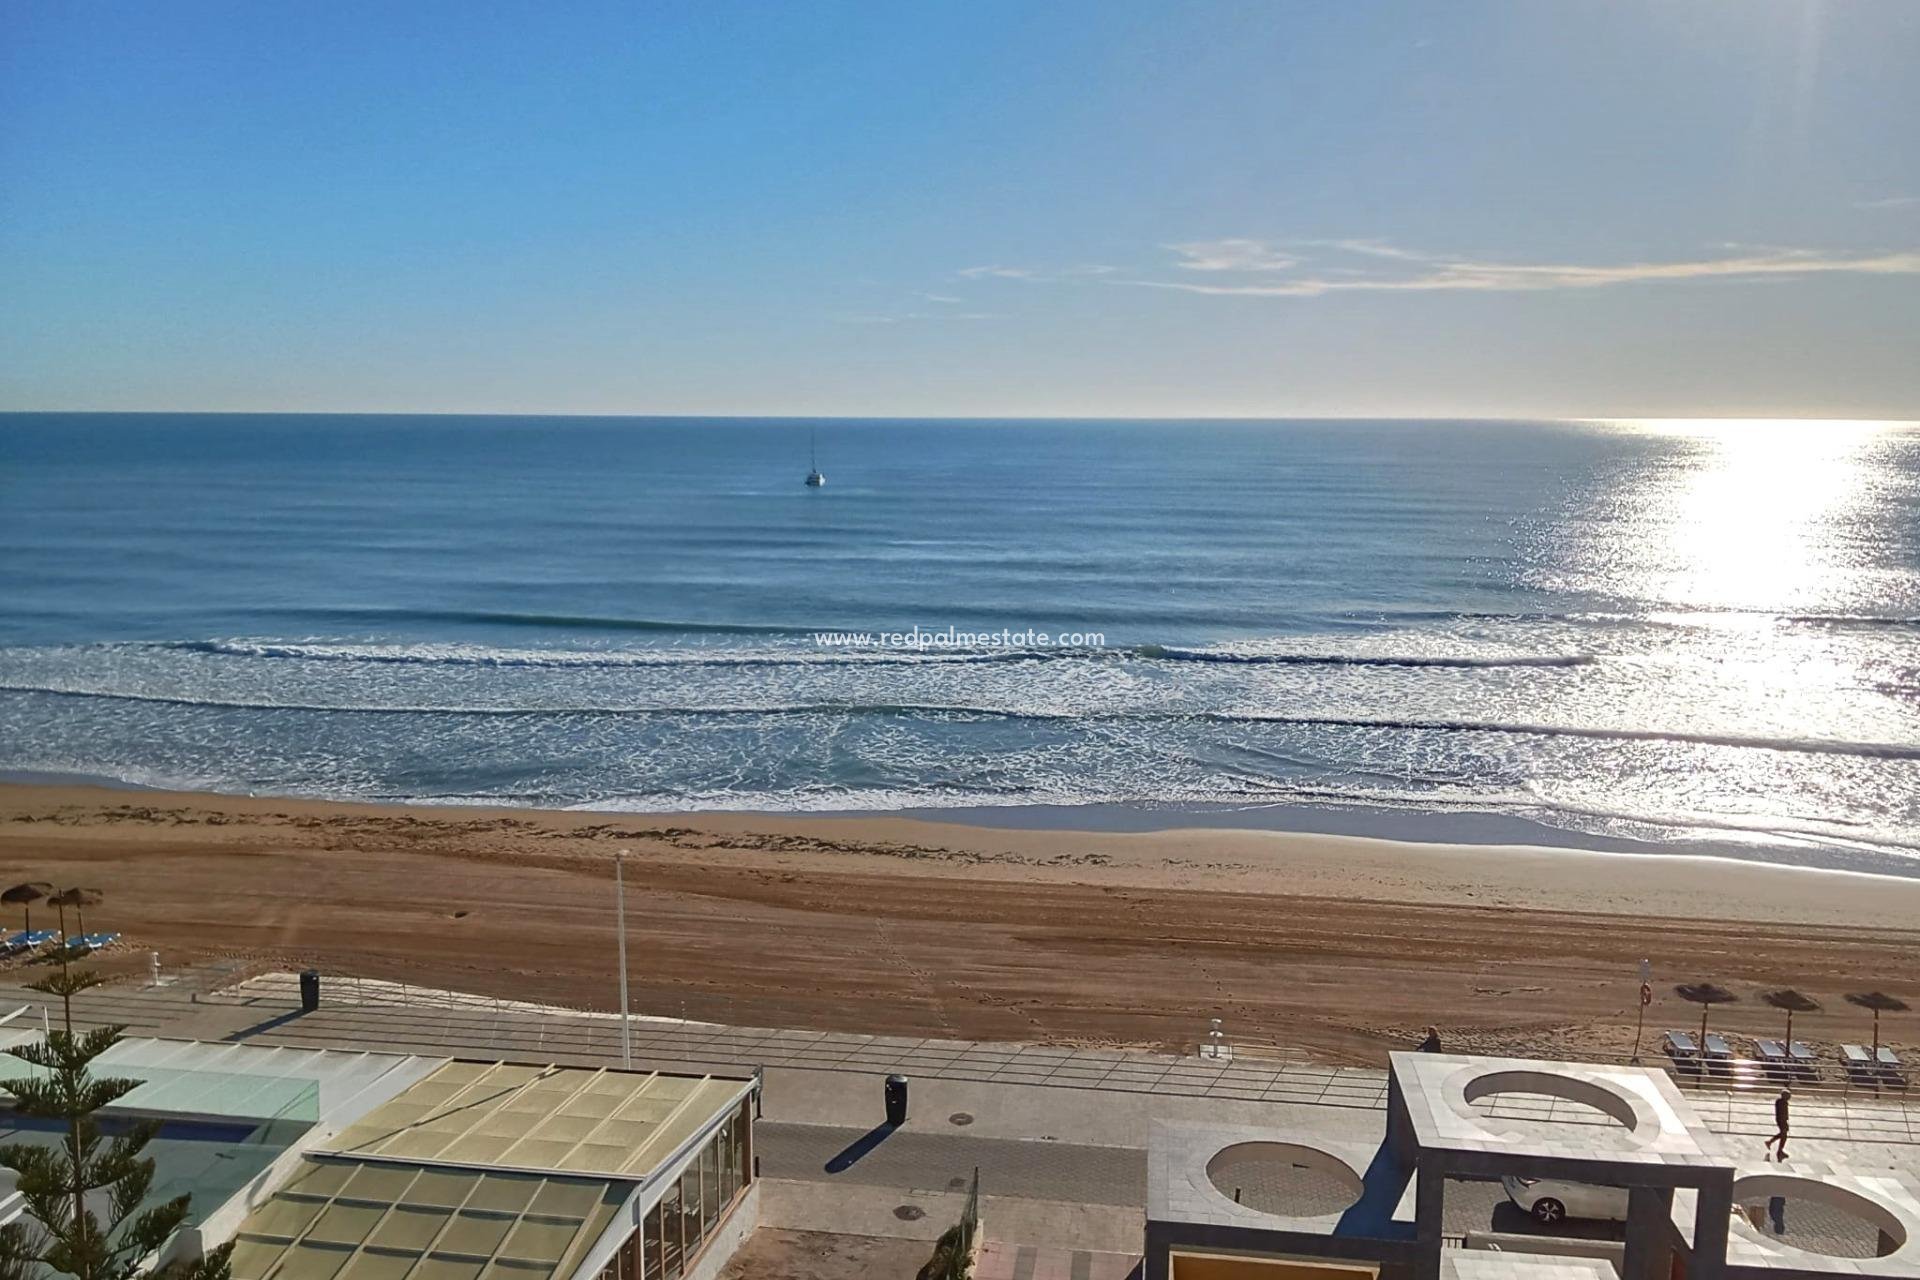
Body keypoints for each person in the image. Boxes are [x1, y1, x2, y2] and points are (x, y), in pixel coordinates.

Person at [1763, 1087, 1791, 1159]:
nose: (1789, 1097)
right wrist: (1785, 1120)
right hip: (1781, 1120)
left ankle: (1772, 1144)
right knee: (1784, 1134)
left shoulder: (1781, 1102)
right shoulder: (1782, 1102)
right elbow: (1783, 1113)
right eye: (1788, 1096)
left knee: (1783, 1134)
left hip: (1781, 1120)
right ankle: (1779, 1150)